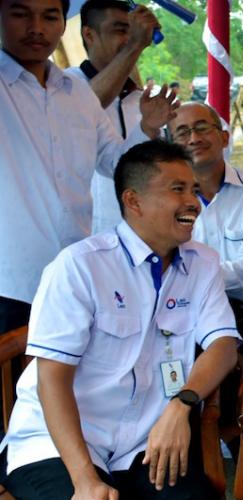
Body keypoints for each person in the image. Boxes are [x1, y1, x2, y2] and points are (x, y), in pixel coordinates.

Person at [1, 140, 240, 500]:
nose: (193, 202)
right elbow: (52, 381)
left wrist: (181, 404)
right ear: (133, 200)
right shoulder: (79, 267)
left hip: (144, 441)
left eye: (194, 189)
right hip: (59, 443)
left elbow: (224, 346)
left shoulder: (203, 263)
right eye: (177, 189)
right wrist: (84, 481)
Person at [0, 0, 178, 335]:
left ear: (62, 24)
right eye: (20, 14)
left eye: (49, 16)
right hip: (11, 285)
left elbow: (114, 162)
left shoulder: (76, 93)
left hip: (76, 274)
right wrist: (134, 46)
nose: (36, 27)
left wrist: (147, 128)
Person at [169, 102, 243, 352]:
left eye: (202, 128)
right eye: (183, 132)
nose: (194, 138)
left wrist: (186, 278)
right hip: (188, 317)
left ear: (224, 137)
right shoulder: (165, 201)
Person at [66, 0, 160, 234]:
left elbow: (120, 163)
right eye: (120, 30)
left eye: (132, 31)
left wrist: (149, 127)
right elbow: (84, 106)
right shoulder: (65, 86)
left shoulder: (140, 98)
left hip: (142, 231)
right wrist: (136, 45)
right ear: (89, 34)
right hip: (88, 234)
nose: (128, 38)